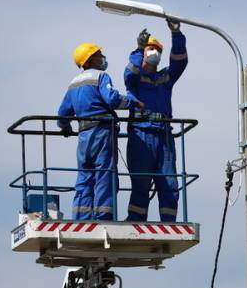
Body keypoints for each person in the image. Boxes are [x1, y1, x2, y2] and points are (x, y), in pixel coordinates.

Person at [58, 42, 142, 221]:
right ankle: (104, 214)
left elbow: (63, 113)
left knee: (85, 175)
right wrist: (133, 103)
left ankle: (81, 215)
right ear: (88, 60)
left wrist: (65, 128)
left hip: (83, 137)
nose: (102, 58)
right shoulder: (101, 76)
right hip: (102, 132)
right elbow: (111, 99)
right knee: (104, 172)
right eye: (98, 55)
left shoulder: (74, 83)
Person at [123, 19, 188, 222]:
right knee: (141, 183)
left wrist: (176, 33)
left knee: (168, 183)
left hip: (164, 136)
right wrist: (139, 48)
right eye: (151, 49)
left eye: (157, 49)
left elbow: (180, 61)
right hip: (141, 134)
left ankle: (169, 223)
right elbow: (130, 72)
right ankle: (136, 222)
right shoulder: (134, 76)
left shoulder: (164, 78)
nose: (155, 52)